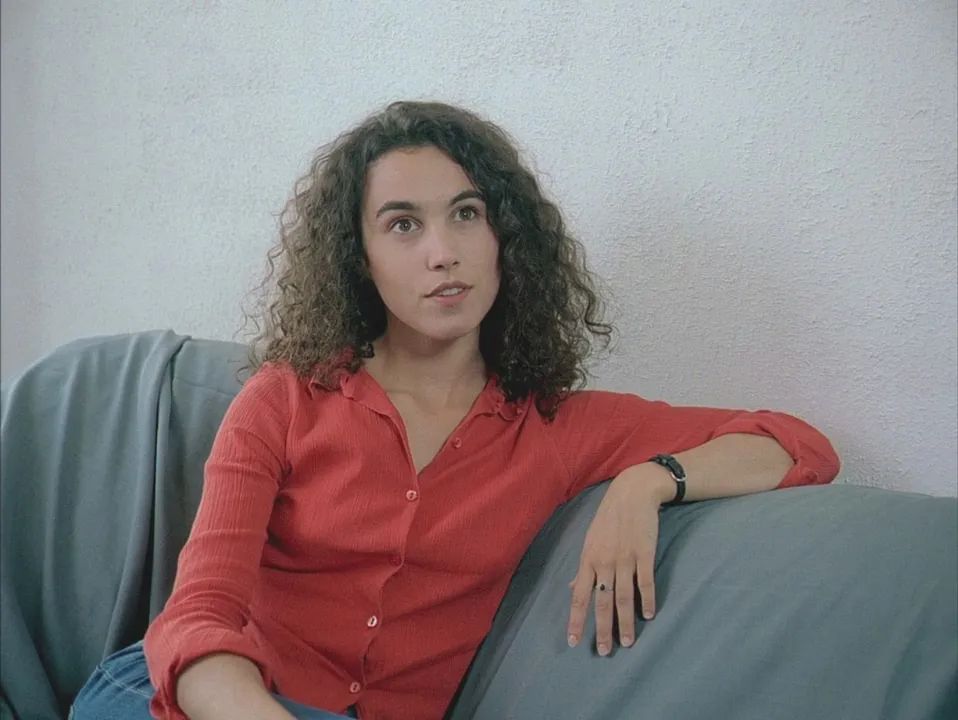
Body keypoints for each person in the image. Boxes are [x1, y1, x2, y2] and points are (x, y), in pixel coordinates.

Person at [71, 100, 840, 720]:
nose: (444, 251)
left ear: (504, 237)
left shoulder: (556, 427)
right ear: (359, 258)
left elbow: (796, 445)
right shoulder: (283, 399)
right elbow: (199, 614)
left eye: (467, 214)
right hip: (190, 698)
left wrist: (649, 482)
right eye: (403, 224)